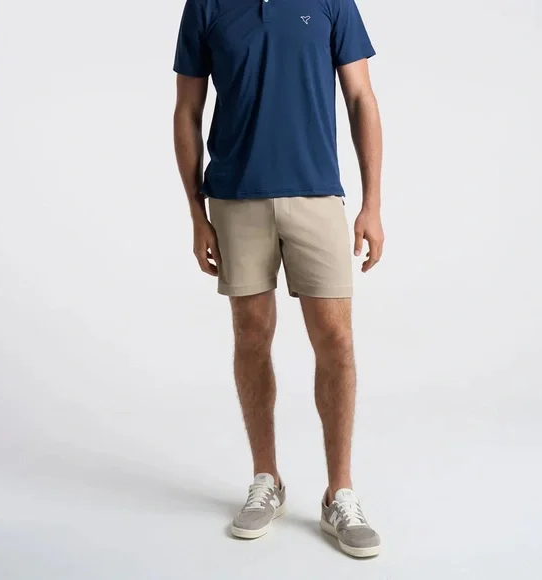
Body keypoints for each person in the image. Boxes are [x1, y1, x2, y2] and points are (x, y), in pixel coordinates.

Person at [173, 0, 384, 558]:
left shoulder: (332, 2)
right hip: (235, 199)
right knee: (251, 334)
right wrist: (196, 213)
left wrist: (372, 204)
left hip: (317, 194)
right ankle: (266, 479)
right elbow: (187, 109)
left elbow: (360, 98)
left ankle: (340, 492)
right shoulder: (206, 5)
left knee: (335, 339)